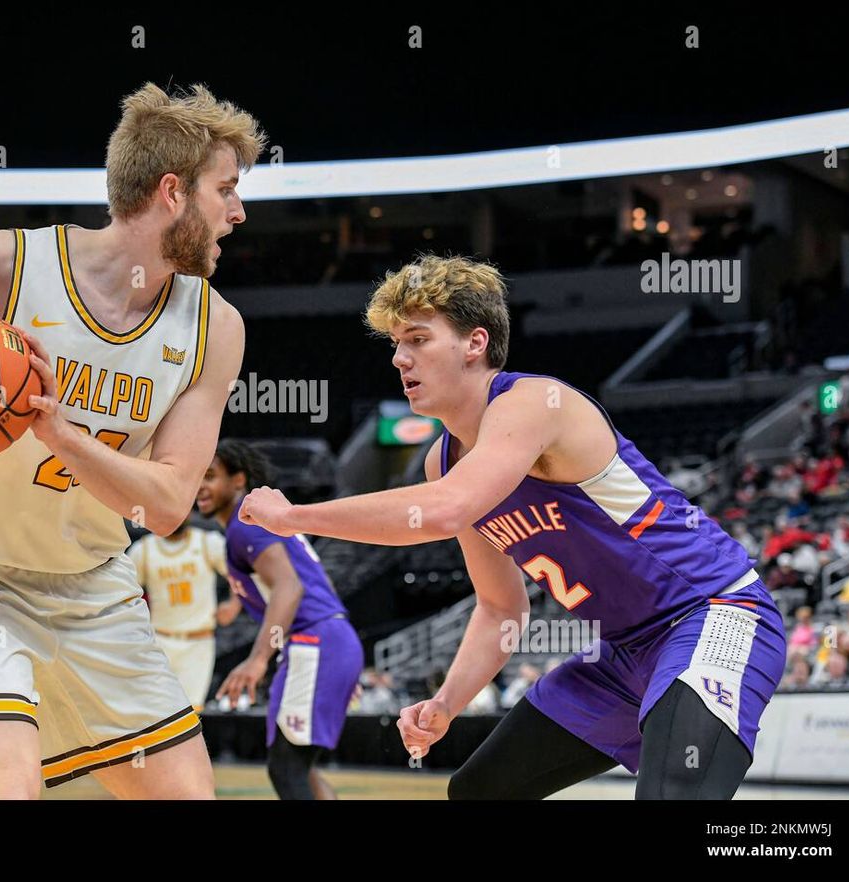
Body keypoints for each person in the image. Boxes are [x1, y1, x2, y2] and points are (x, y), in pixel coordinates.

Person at [239, 254, 787, 800]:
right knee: (478, 792)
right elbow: (501, 608)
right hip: (625, 653)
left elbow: (443, 510)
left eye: (418, 340)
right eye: (395, 344)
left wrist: (293, 518)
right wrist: (446, 703)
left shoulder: (532, 404)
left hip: (712, 613)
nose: (400, 359)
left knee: (671, 795)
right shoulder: (443, 460)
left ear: (475, 343)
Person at [0, 83, 264, 798]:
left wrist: (60, 433)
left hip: (93, 591)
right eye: (225, 190)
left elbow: (169, 505)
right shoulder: (4, 266)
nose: (238, 212)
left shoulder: (215, 328)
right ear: (172, 191)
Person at [198, 440, 363, 800]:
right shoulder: (254, 523)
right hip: (328, 641)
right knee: (303, 770)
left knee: (286, 769)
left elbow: (290, 587)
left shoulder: (246, 520)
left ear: (238, 480)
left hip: (316, 640)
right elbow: (318, 582)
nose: (199, 486)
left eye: (210, 476)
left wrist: (258, 660)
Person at [127, 516, 232, 712]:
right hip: (159, 641)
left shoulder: (208, 542)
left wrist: (234, 604)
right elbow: (125, 593)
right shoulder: (143, 550)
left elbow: (239, 573)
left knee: (190, 714)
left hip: (198, 642)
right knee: (157, 712)